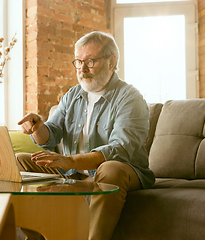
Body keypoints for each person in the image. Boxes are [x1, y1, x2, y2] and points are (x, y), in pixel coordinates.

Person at [17, 31, 155, 240]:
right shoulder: (72, 95)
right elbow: (51, 135)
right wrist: (38, 127)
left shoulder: (129, 97)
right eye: (78, 62)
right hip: (72, 171)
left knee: (110, 168)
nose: (82, 69)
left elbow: (119, 149)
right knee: (21, 161)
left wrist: (68, 160)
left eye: (90, 61)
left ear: (111, 62)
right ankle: (37, 234)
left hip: (121, 171)